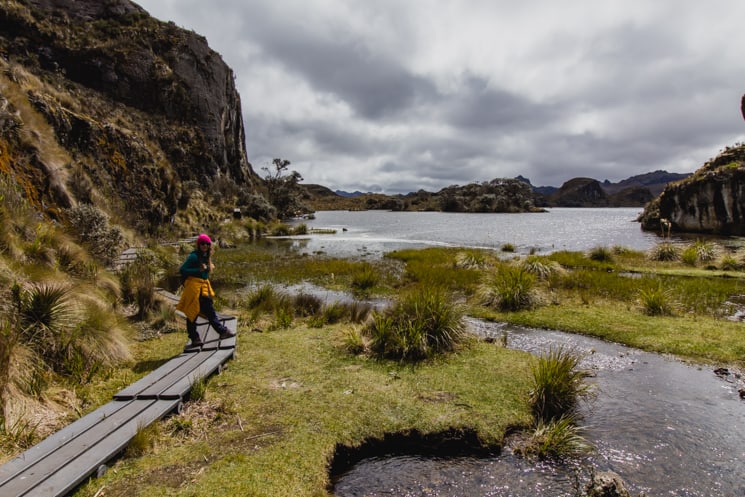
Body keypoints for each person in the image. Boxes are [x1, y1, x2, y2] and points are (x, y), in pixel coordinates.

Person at [176, 233, 235, 347]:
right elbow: (183, 269)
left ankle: (218, 332)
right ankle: (197, 337)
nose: (205, 245)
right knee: (192, 312)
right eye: (202, 243)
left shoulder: (206, 256)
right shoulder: (194, 256)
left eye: (207, 244)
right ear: (198, 244)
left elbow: (205, 271)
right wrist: (198, 270)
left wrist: (207, 268)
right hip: (194, 288)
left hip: (203, 287)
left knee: (208, 311)